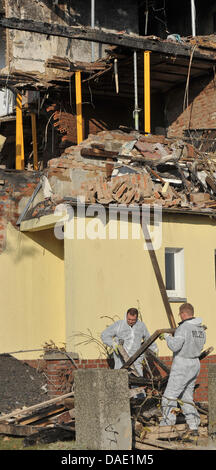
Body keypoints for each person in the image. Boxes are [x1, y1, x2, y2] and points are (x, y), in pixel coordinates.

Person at [159, 302, 206, 436]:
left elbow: (175, 346)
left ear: (184, 314)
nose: (180, 317)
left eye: (180, 314)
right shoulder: (200, 329)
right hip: (195, 363)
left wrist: (167, 337)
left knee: (169, 397)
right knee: (186, 397)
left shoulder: (184, 328)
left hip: (182, 363)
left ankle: (167, 426)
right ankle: (194, 426)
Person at [101, 307, 158, 376]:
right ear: (126, 316)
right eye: (129, 319)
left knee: (137, 381)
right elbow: (105, 335)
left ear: (137, 318)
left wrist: (154, 349)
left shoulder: (141, 326)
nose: (130, 321)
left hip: (136, 360)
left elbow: (148, 339)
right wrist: (113, 344)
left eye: (133, 320)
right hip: (121, 360)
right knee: (121, 380)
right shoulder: (119, 325)